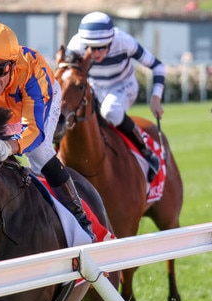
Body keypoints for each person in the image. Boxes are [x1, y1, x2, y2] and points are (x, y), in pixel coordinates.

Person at [0, 20, 94, 240]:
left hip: (37, 105)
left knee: (39, 153)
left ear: (12, 63)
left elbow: (34, 130)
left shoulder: (32, 70)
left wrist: (11, 144)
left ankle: (80, 218)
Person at [65, 11, 164, 181]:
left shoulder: (124, 41)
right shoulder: (75, 45)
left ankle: (146, 152)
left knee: (111, 111)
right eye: (91, 48)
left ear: (111, 41)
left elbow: (157, 66)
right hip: (93, 88)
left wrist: (156, 98)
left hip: (123, 86)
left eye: (102, 47)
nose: (96, 54)